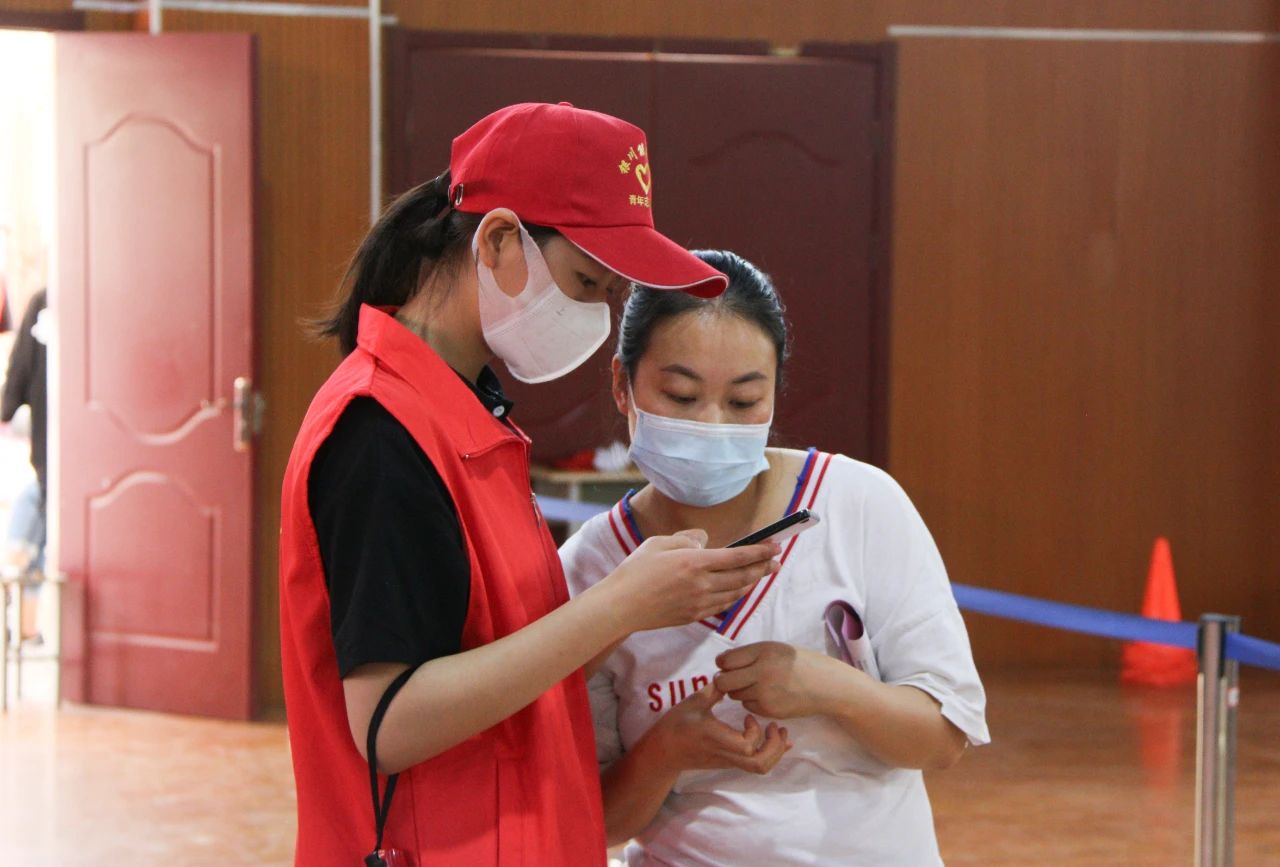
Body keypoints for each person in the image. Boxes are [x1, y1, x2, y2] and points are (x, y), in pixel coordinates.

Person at [278, 104, 781, 867]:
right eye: (585, 282)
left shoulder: (468, 416)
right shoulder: (380, 433)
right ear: (499, 240)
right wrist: (618, 604)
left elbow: (500, 657)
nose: (596, 313)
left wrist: (638, 618)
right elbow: (389, 722)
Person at [560, 250, 990, 866]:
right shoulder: (591, 568)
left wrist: (830, 687)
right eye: (681, 395)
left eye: (742, 402)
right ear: (621, 386)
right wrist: (665, 753)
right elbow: (595, 821)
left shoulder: (858, 503)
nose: (712, 424)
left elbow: (944, 739)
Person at [2, 288, 48, 643]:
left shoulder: (46, 301)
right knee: (39, 509)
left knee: (37, 507)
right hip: (57, 453)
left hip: (52, 453)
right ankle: (27, 629)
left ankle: (27, 627)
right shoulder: (45, 302)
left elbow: (17, 375)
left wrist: (7, 405)